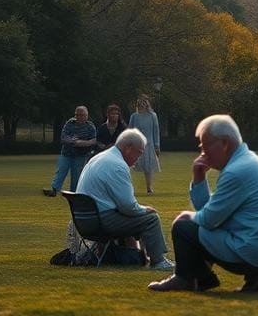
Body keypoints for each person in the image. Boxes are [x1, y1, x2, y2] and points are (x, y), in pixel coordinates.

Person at [148, 114, 258, 293]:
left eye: (205, 146)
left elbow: (209, 219)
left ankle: (186, 279)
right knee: (192, 223)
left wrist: (186, 217)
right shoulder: (248, 162)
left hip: (248, 251)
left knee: (182, 226)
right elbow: (211, 211)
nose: (203, 153)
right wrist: (199, 178)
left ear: (224, 143)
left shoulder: (236, 171)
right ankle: (235, 276)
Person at [75, 128, 175, 271]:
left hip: (84, 220)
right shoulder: (117, 165)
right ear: (128, 148)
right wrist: (145, 209)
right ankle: (158, 261)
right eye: (139, 153)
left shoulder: (98, 158)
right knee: (151, 218)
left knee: (140, 215)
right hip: (100, 221)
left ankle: (141, 256)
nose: (139, 158)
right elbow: (128, 207)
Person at [43, 105, 98, 197]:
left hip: (80, 155)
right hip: (66, 153)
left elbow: (94, 140)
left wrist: (82, 143)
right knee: (61, 171)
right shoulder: (70, 123)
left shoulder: (90, 127)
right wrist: (74, 142)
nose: (79, 117)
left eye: (82, 115)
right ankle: (54, 190)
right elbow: (63, 138)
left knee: (76, 175)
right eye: (77, 115)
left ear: (87, 116)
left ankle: (74, 193)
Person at [129, 95, 161, 194]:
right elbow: (130, 130)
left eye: (144, 102)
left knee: (148, 167)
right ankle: (128, 187)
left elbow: (156, 131)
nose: (142, 105)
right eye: (140, 103)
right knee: (130, 165)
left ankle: (149, 187)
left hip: (149, 144)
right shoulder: (134, 116)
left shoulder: (152, 116)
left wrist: (157, 145)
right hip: (136, 143)